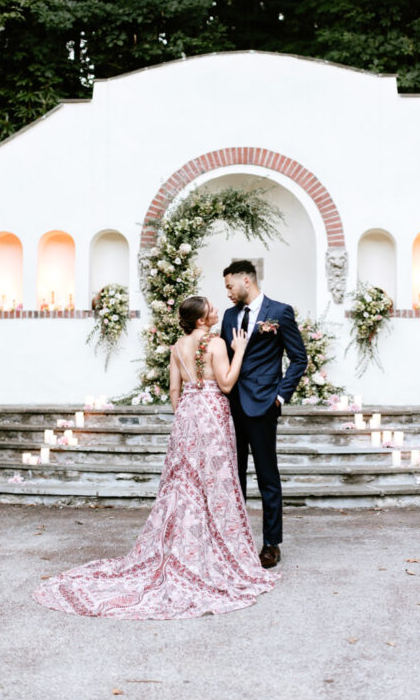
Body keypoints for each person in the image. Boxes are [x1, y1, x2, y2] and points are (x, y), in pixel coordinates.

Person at [33, 296, 279, 619]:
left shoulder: (177, 347)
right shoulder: (217, 343)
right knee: (215, 483)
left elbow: (174, 391)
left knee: (183, 482)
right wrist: (241, 349)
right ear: (202, 319)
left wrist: (186, 414)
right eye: (210, 308)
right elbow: (227, 383)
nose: (216, 310)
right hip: (212, 417)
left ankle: (181, 546)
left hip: (187, 417)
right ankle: (212, 549)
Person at [221, 260, 308, 569]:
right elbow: (225, 359)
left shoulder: (280, 312)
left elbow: (299, 359)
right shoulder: (229, 316)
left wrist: (280, 396)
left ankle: (271, 544)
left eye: (230, 286)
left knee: (267, 477)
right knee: (234, 477)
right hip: (232, 405)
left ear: (247, 280)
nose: (228, 293)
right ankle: (236, 540)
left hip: (263, 405)